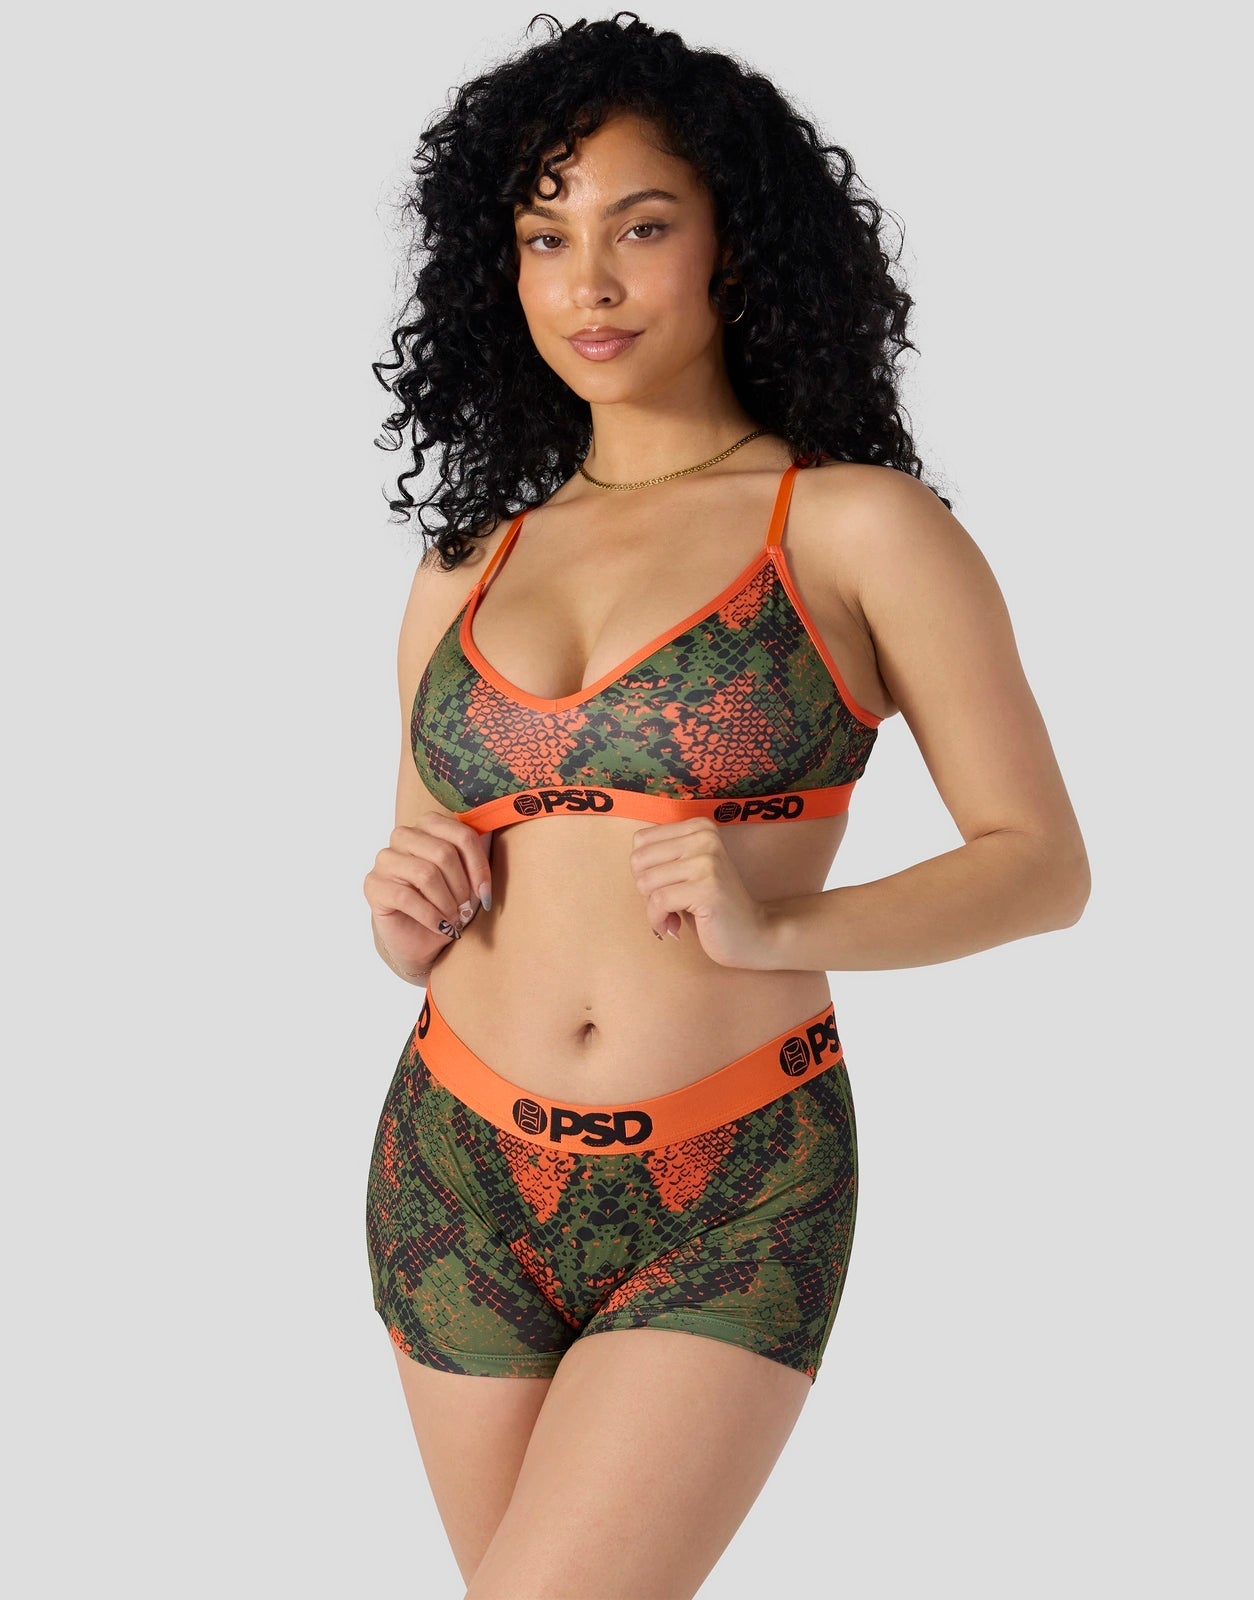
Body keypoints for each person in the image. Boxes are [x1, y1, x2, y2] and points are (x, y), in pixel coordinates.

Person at [362, 13, 1090, 1597]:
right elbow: (427, 865)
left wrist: (781, 924)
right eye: (545, 238)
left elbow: (1041, 866)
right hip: (454, 1168)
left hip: (731, 1176)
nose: (590, 282)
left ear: (734, 244)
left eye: (640, 227)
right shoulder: (464, 563)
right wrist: (400, 913)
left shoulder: (856, 527)